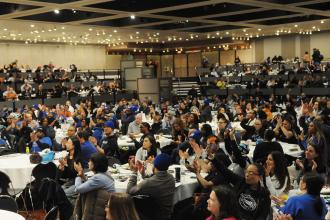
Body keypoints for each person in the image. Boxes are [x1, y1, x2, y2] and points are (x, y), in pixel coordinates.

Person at [127, 153, 175, 220]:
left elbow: (129, 191)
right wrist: (143, 174)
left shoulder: (150, 183)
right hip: (168, 214)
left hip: (156, 216)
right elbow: (156, 181)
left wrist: (134, 172)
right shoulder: (171, 178)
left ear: (154, 166)